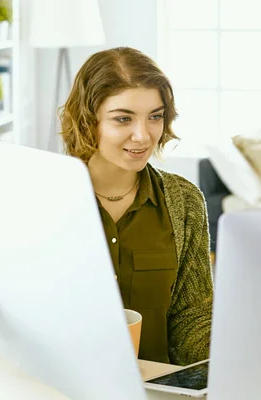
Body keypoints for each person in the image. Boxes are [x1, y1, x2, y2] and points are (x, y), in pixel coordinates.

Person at [58, 47, 213, 365]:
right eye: (123, 119)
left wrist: (226, 366)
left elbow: (192, 319)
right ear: (89, 121)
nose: (143, 136)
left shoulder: (185, 201)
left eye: (155, 117)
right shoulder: (43, 199)